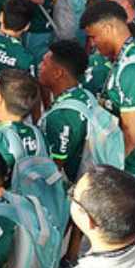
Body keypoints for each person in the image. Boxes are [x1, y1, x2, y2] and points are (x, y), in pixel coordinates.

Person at [80, 0, 135, 193]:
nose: (92, 44)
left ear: (108, 28)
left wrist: (106, 174)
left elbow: (131, 135)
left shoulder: (131, 70)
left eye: (94, 37)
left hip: (130, 172)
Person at [39, 40, 97, 183]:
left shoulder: (60, 117)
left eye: (45, 63)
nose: (40, 67)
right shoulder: (85, 94)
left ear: (58, 73)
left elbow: (52, 170)